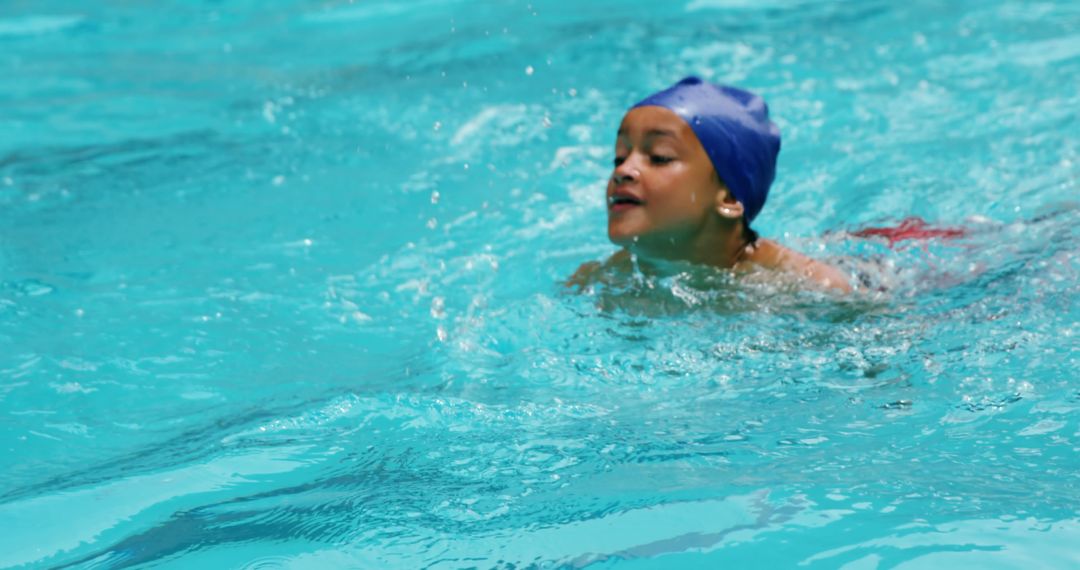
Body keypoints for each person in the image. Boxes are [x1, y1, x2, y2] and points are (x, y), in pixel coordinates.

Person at [569, 76, 852, 294]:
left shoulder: (809, 286)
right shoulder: (600, 279)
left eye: (659, 157)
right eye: (619, 157)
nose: (623, 170)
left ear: (728, 196)